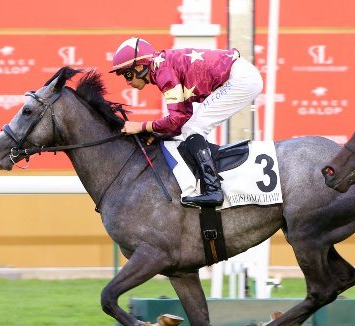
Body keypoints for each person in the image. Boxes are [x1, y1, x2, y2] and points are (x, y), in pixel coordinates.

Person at [110, 37, 263, 206]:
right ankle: (212, 186)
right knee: (190, 128)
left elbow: (177, 119)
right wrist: (159, 133)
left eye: (128, 74)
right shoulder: (162, 67)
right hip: (241, 76)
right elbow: (182, 118)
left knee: (193, 129)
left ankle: (213, 190)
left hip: (240, 79)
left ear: (140, 67)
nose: (127, 81)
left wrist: (141, 126)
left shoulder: (163, 72)